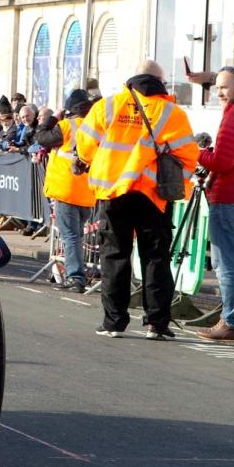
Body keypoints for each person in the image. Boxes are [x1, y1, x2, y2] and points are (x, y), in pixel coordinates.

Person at [76, 60, 199, 340]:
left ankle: (113, 322)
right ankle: (157, 324)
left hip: (113, 192)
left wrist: (89, 163)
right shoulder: (172, 112)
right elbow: (189, 157)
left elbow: (85, 145)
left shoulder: (108, 105)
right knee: (155, 257)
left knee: (114, 255)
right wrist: (177, 183)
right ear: (159, 81)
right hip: (152, 195)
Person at [192, 66, 234, 341]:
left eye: (225, 87)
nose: (220, 92)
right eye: (217, 87)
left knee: (228, 265)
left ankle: (232, 322)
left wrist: (197, 152)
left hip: (231, 198)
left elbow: (223, 162)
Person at [35, 89, 98, 293]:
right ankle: (77, 275)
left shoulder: (66, 126)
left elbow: (42, 137)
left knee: (71, 237)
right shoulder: (96, 127)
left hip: (66, 189)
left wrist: (53, 117)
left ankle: (76, 277)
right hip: (87, 193)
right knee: (77, 236)